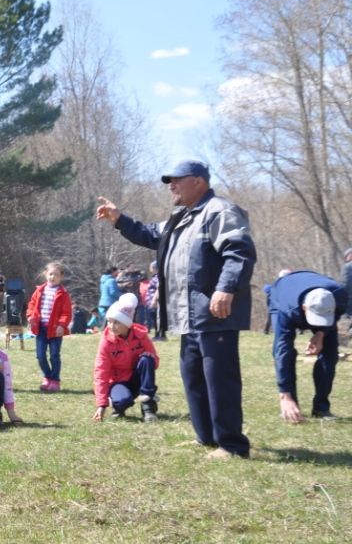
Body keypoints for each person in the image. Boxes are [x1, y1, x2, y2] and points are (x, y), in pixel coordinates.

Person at [97, 159, 256, 459]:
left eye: (177, 179)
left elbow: (239, 252)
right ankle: (206, 437)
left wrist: (226, 288)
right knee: (193, 377)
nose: (171, 185)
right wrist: (120, 219)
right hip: (189, 317)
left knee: (220, 380)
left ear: (198, 181)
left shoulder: (219, 211)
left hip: (214, 315)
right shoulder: (180, 218)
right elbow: (149, 234)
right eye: (169, 180)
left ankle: (232, 445)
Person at [269, 270, 347, 422]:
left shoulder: (339, 296)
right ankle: (290, 405)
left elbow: (336, 315)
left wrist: (321, 334)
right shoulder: (288, 308)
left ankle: (321, 408)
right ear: (304, 308)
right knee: (286, 353)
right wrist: (285, 395)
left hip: (314, 295)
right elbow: (282, 350)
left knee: (330, 354)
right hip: (281, 295)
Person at [92, 293, 160, 423]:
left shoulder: (141, 336)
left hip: (138, 380)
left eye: (117, 322)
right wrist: (101, 405)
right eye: (110, 321)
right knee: (123, 400)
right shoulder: (106, 341)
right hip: (118, 381)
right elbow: (101, 372)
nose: (112, 326)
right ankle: (117, 405)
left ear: (127, 323)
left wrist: (148, 360)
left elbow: (155, 361)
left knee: (147, 359)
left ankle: (148, 408)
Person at [25, 262, 73, 392]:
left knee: (54, 355)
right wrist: (30, 317)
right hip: (41, 328)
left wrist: (62, 325)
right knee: (40, 355)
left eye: (56, 275)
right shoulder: (39, 290)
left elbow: (66, 312)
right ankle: (47, 377)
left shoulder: (63, 293)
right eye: (51, 274)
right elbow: (31, 305)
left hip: (55, 329)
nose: (53, 277)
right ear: (46, 274)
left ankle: (55, 380)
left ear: (61, 277)